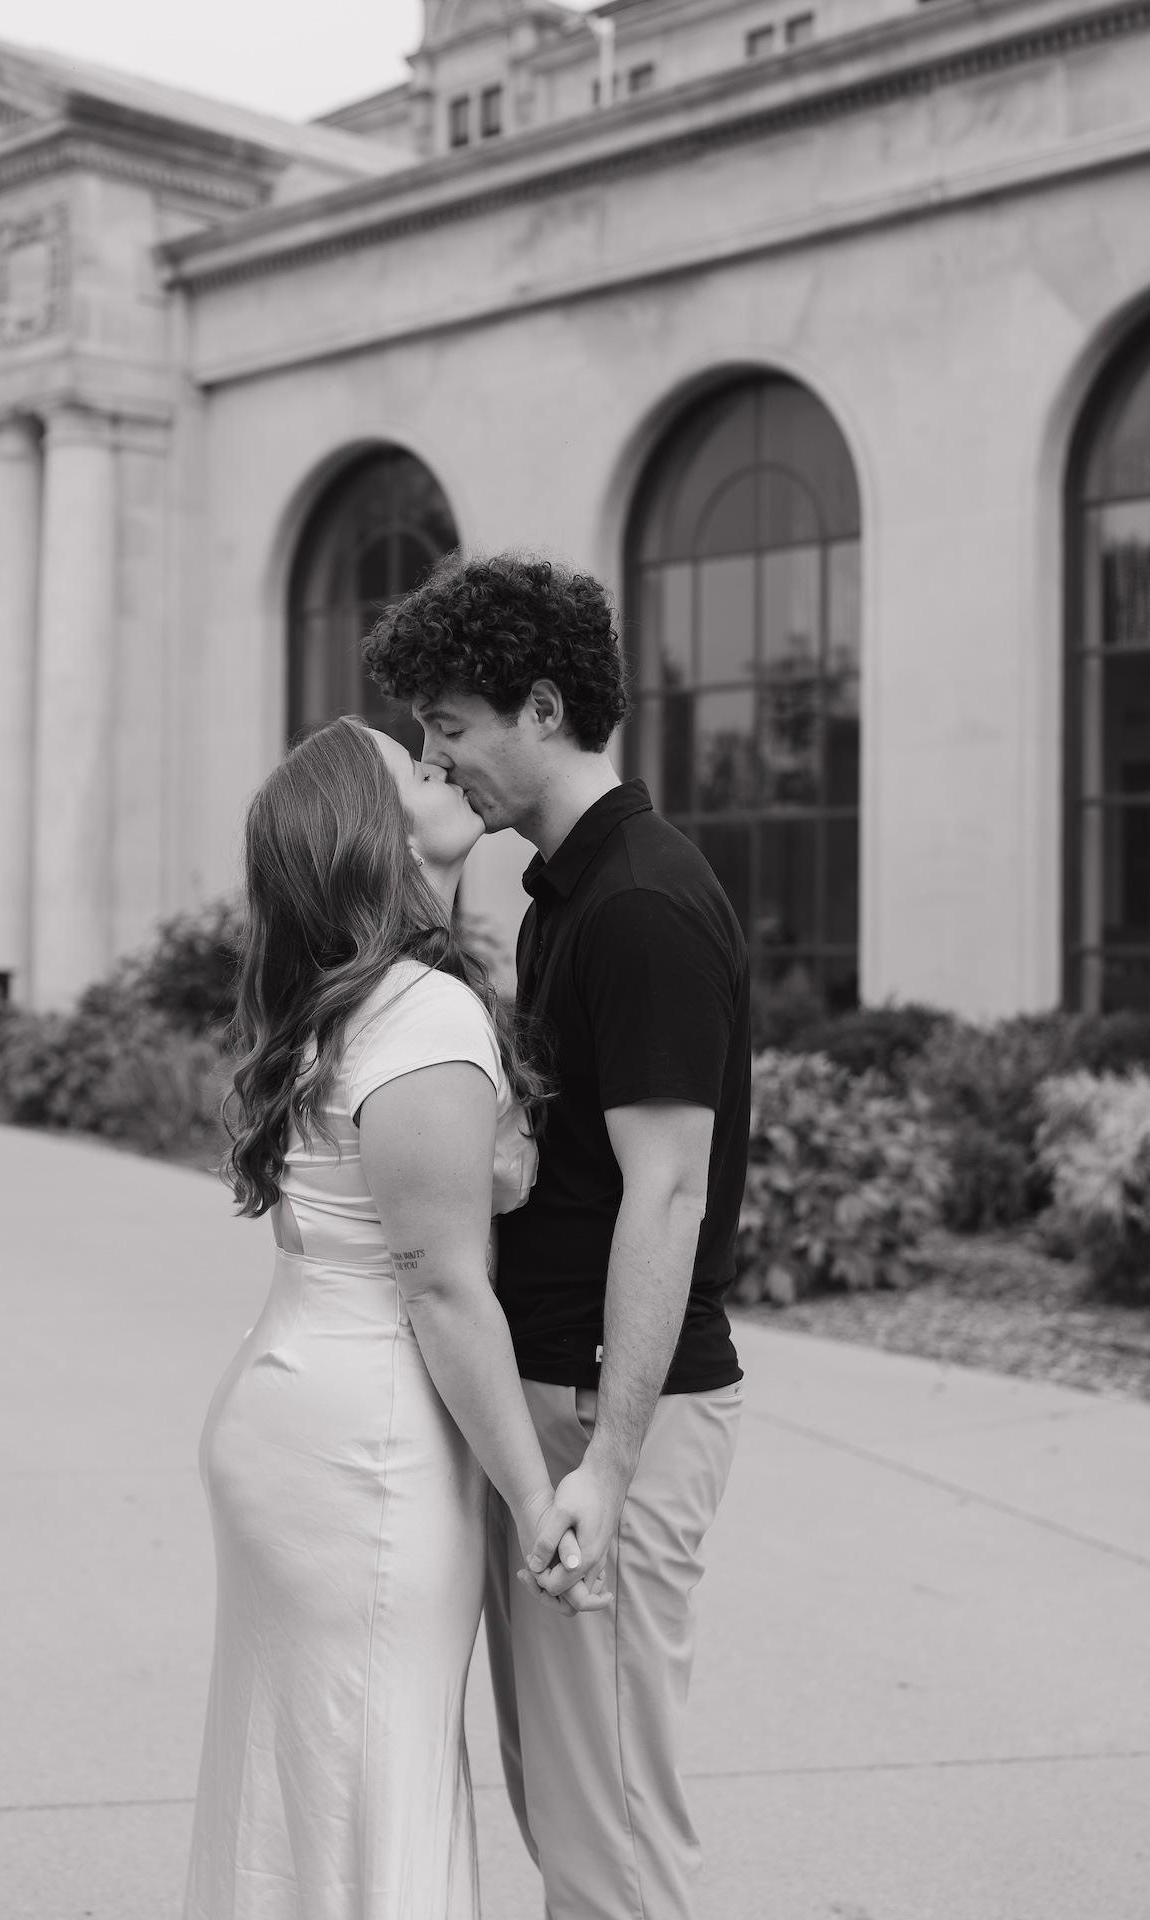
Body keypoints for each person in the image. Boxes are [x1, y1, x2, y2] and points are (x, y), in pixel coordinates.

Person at [364, 554, 751, 1920]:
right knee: (573, 1823)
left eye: (449, 726)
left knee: (614, 1846)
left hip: (607, 1410)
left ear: (540, 708)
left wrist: (612, 1461)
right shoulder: (570, 892)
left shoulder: (638, 904)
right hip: (565, 1404)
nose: (433, 757)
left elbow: (669, 1196)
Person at [182, 716, 606, 1920]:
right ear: (369, 833)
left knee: (314, 1789)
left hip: (301, 1411)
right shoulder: (416, 1012)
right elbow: (441, 1285)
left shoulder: (356, 1003)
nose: (434, 763)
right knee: (373, 1780)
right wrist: (535, 1500)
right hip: (359, 1449)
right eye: (405, 766)